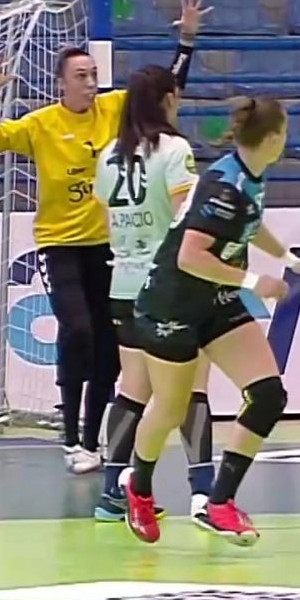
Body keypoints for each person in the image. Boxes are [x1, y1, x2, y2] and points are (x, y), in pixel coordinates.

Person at [0, 0, 210, 474]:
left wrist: (186, 41)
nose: (89, 83)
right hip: (60, 244)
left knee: (108, 343)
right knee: (76, 330)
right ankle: (70, 436)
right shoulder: (41, 125)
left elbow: (165, 93)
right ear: (60, 83)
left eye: (93, 76)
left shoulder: (114, 109)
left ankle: (94, 436)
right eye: (80, 76)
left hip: (109, 248)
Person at [123, 97, 300, 546]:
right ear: (272, 139)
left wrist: (290, 258)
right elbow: (190, 254)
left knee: (269, 395)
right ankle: (137, 488)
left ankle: (219, 502)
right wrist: (256, 280)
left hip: (214, 301)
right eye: (285, 134)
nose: (286, 141)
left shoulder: (248, 175)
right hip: (171, 305)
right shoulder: (223, 186)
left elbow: (250, 224)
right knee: (171, 408)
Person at [92, 64, 216, 522]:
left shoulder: (108, 155)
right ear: (166, 100)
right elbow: (189, 220)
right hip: (168, 287)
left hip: (123, 283)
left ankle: (112, 490)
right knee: (191, 386)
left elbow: (109, 225)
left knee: (135, 387)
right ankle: (204, 491)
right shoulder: (175, 150)